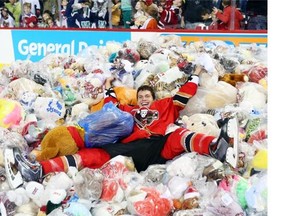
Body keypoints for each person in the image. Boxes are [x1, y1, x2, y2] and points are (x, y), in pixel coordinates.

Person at [8, 65, 239, 184]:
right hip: (128, 150)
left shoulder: (165, 105)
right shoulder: (128, 110)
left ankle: (215, 147)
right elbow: (110, 105)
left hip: (157, 145)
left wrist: (196, 74)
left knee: (179, 135)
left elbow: (184, 95)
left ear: (154, 97)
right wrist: (109, 85)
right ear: (137, 99)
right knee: (92, 155)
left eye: (148, 95)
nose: (145, 98)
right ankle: (38, 170)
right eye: (141, 96)